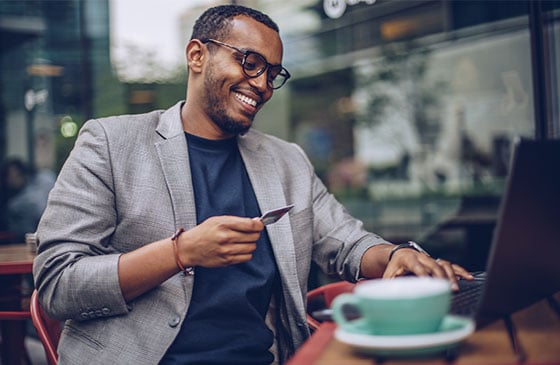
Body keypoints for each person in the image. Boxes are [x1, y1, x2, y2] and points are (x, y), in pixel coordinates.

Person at [33, 4, 473, 365]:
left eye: (273, 73)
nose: (262, 84)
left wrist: (395, 257)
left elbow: (345, 242)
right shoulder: (112, 142)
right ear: (197, 55)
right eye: (250, 62)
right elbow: (57, 284)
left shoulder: (286, 161)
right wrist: (180, 252)